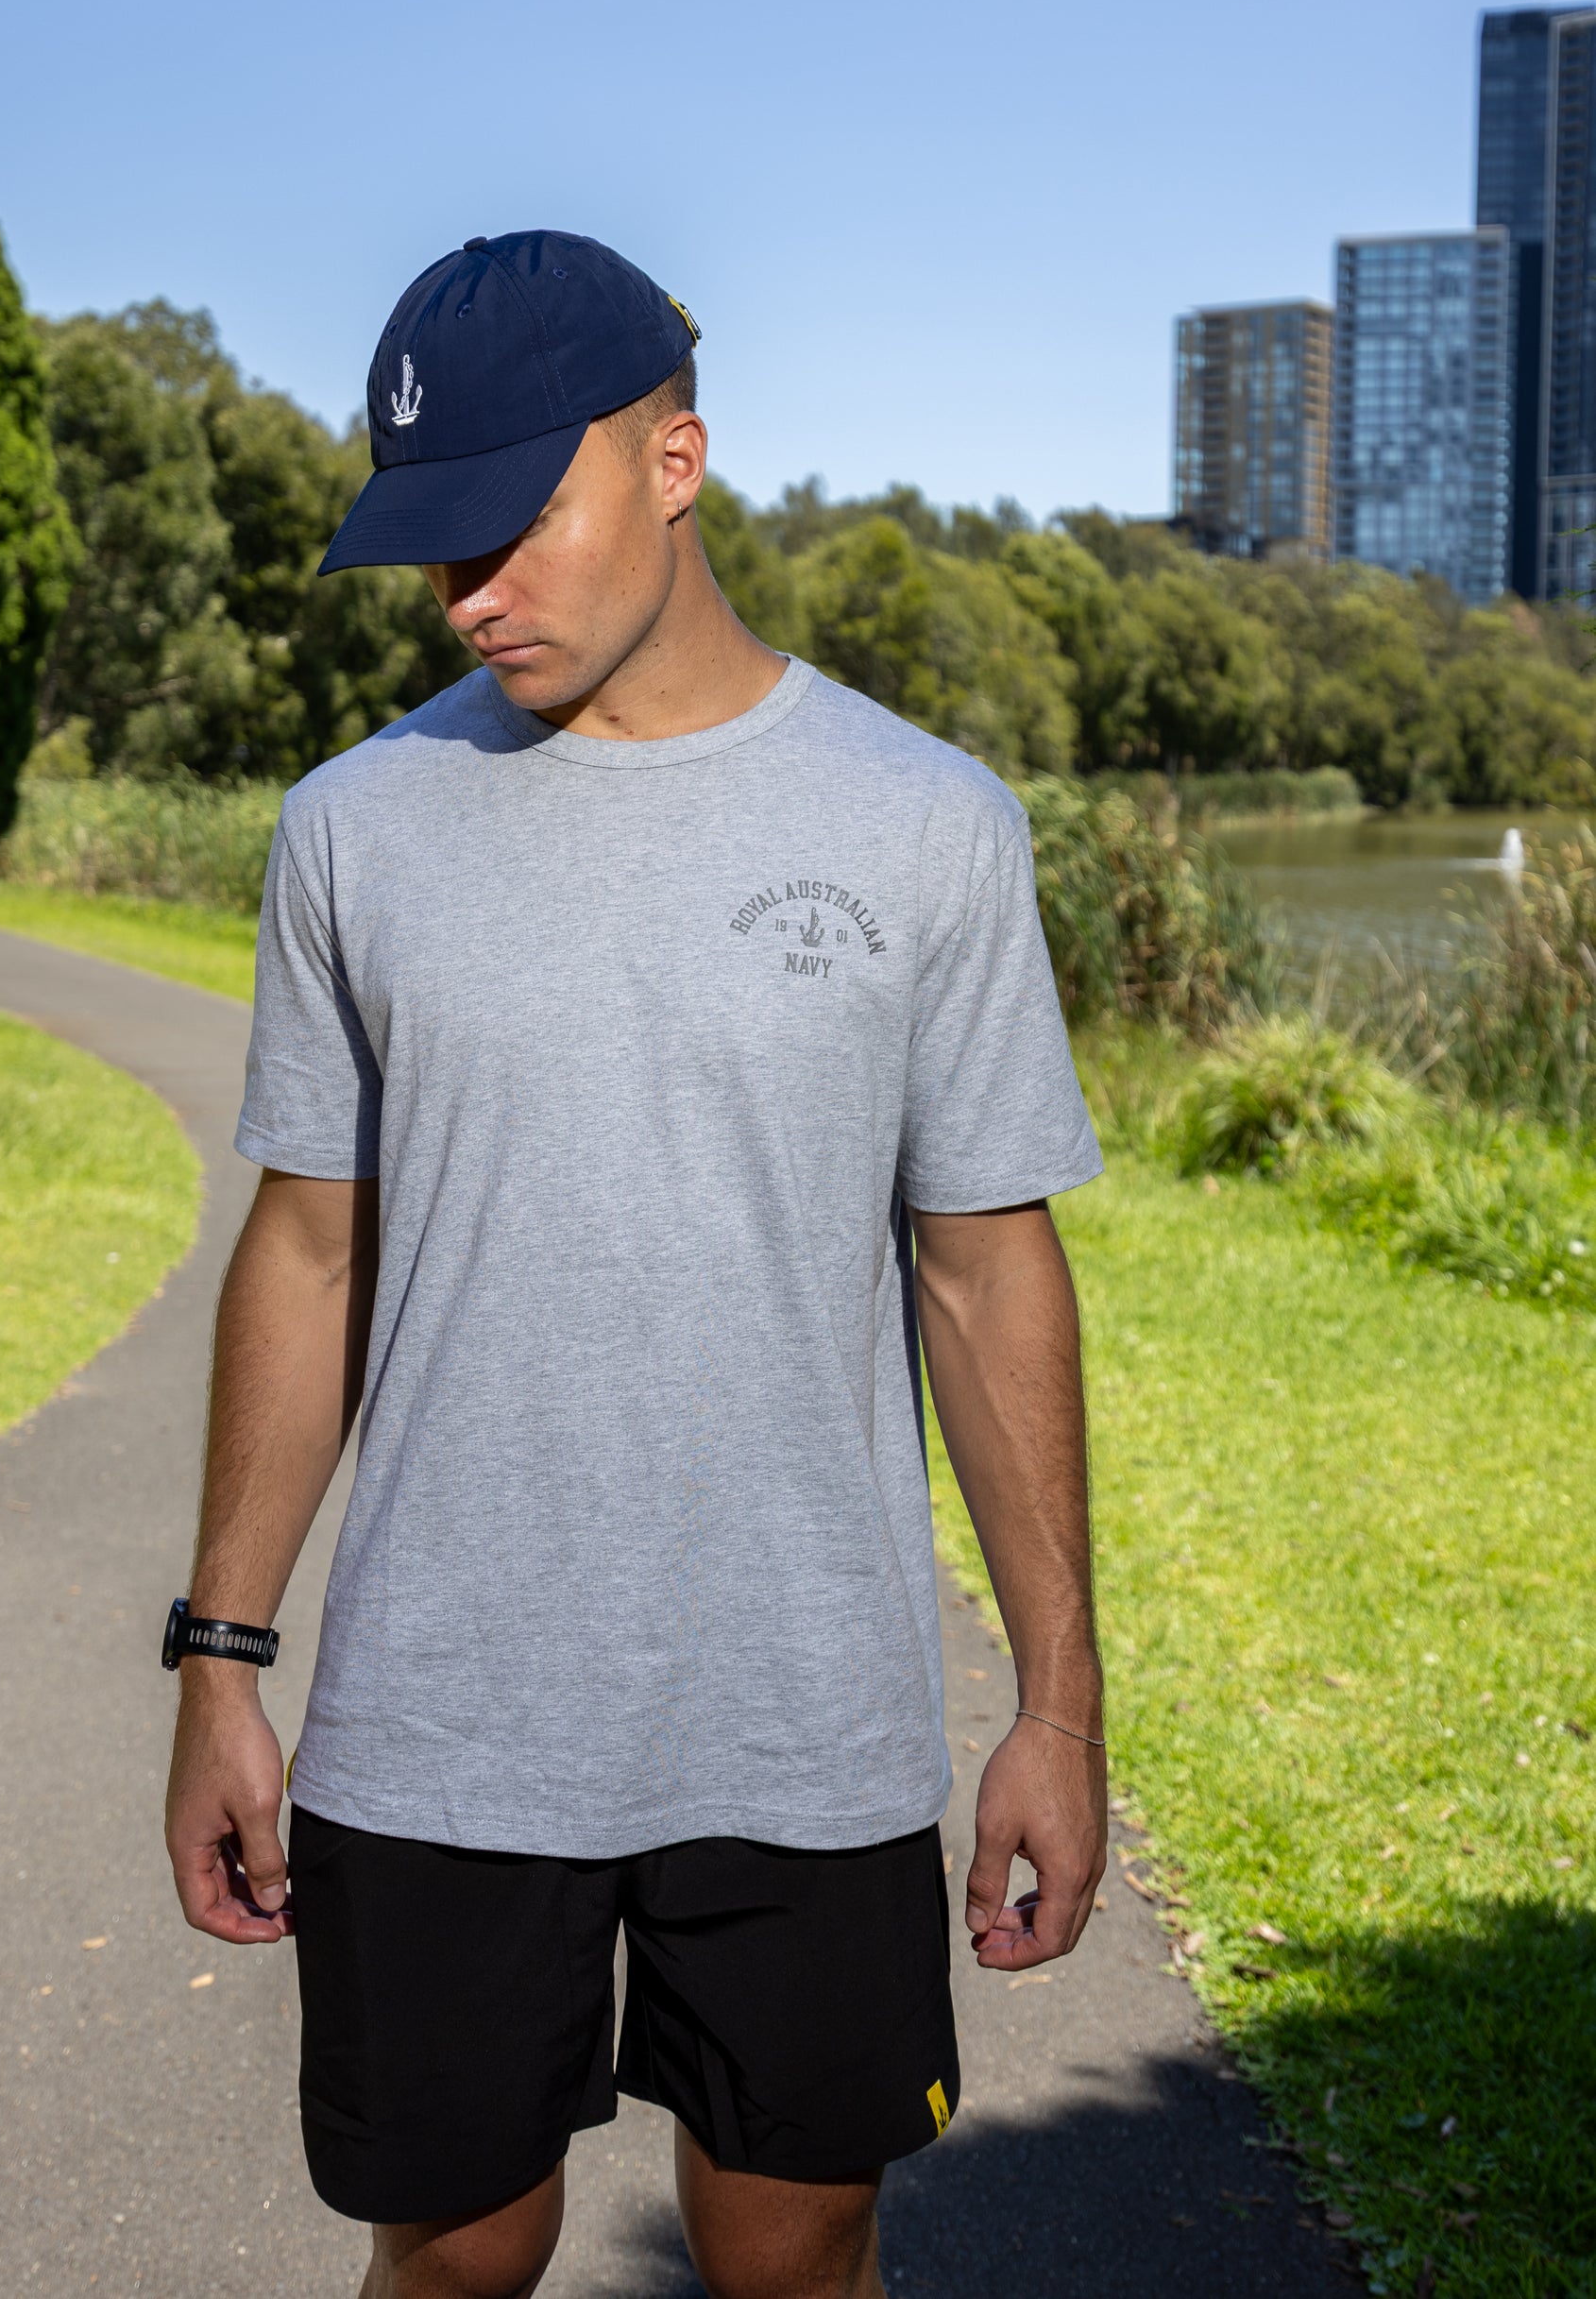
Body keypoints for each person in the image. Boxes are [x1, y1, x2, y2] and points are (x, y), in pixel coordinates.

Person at [163, 230, 1108, 2299]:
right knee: (456, 2254)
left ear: (675, 461)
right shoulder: (354, 829)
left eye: (515, 523)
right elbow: (306, 1253)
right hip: (438, 1723)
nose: (468, 590)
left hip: (804, 1722)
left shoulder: (927, 826)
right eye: (435, 544)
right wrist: (220, 1658)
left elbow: (984, 1275)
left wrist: (1059, 1701)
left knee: (789, 2256)